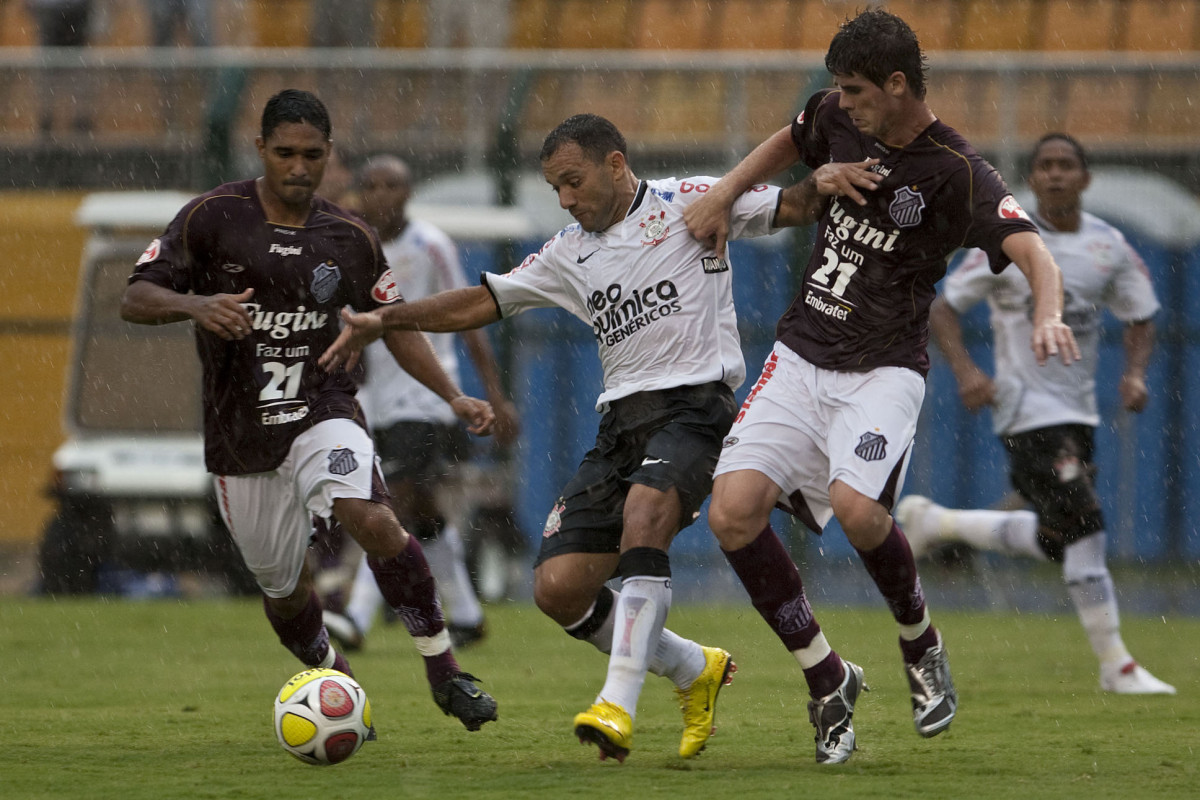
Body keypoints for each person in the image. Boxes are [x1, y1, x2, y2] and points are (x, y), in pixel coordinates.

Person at [320, 112, 810, 762]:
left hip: (697, 409)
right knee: (557, 588)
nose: (566, 199)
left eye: (573, 182)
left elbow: (796, 204)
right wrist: (386, 319)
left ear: (615, 163)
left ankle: (617, 702)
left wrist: (845, 168)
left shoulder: (692, 202)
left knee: (645, 516)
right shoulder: (567, 252)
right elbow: (477, 302)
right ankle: (694, 669)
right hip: (621, 427)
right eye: (555, 188)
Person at [683, 9, 1081, 764]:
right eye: (838, 89)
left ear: (898, 86)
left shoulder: (957, 171)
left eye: (858, 89)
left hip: (884, 368)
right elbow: (788, 138)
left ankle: (919, 641)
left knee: (861, 513)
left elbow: (1031, 249)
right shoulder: (838, 115)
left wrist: (1049, 313)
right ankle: (827, 676)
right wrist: (728, 188)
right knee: (731, 516)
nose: (844, 101)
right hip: (801, 354)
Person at [119, 89, 499, 733]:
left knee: (373, 518)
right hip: (241, 437)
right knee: (285, 588)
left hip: (322, 408)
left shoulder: (349, 238)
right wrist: (195, 306)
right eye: (286, 153)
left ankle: (446, 670)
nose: (299, 167)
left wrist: (452, 394)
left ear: (330, 156)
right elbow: (137, 296)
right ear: (261, 149)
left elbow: (394, 325)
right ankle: (337, 680)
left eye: (312, 155)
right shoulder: (211, 218)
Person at [895, 133, 1175, 696]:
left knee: (1060, 538)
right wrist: (969, 372)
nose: (1054, 175)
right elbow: (944, 308)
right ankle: (1117, 665)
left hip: (1079, 414)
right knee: (1088, 525)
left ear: (1084, 178)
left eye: (1065, 165)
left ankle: (939, 523)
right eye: (1044, 166)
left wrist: (1136, 373)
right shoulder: (1007, 241)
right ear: (1033, 178)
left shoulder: (1109, 245)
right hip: (1024, 411)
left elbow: (1142, 315)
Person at [323, 155, 520, 651]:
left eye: (393, 185)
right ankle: (470, 615)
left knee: (392, 499)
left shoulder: (430, 245)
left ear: (408, 193)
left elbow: (466, 314)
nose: (382, 195)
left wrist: (494, 393)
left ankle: (358, 615)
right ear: (360, 193)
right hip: (376, 399)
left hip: (429, 396)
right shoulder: (352, 247)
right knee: (424, 513)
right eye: (372, 185)